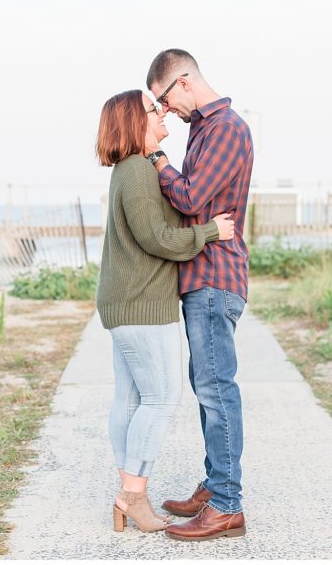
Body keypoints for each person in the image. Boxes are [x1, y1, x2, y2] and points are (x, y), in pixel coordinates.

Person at [94, 89, 235, 534]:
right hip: (141, 304)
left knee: (131, 399)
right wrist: (210, 231)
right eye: (153, 109)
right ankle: (131, 496)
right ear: (134, 120)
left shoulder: (130, 169)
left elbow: (155, 228)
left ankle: (129, 495)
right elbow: (155, 238)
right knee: (160, 398)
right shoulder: (136, 171)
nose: (163, 114)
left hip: (127, 301)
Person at [144, 49, 254, 541]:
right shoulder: (205, 130)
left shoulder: (226, 127)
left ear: (184, 82)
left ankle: (227, 504)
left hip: (215, 276)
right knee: (206, 387)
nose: (165, 111)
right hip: (203, 277)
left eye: (164, 99)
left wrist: (157, 158)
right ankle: (215, 486)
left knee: (215, 389)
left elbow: (190, 199)